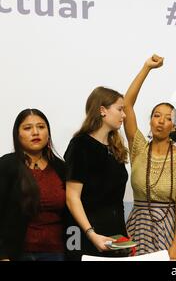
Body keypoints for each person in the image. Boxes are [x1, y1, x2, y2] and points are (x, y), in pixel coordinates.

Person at [123, 54, 176, 259]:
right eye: (156, 116)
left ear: (174, 126)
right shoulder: (138, 148)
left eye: (167, 118)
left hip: (169, 230)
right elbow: (126, 105)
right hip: (138, 227)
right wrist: (147, 67)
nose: (161, 121)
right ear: (150, 121)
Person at [65, 86, 129, 260]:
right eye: (120, 109)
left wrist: (124, 237)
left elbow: (116, 201)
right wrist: (91, 234)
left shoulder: (115, 148)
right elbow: (72, 197)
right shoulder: (80, 145)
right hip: (86, 237)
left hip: (116, 237)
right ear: (102, 110)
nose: (124, 115)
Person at [0, 109, 66, 261]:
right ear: (18, 135)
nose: (35, 132)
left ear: (48, 133)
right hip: (17, 253)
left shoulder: (62, 168)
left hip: (57, 253)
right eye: (27, 128)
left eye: (41, 127)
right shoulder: (6, 165)